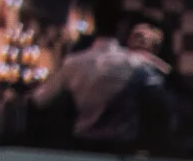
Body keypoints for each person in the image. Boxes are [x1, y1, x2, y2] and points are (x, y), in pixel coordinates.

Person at [32, 16, 170, 146]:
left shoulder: (75, 61)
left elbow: (39, 100)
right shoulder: (138, 66)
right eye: (137, 38)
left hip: (91, 144)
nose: (141, 45)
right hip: (115, 146)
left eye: (147, 42)